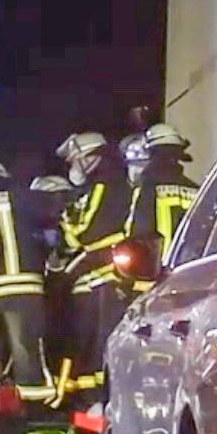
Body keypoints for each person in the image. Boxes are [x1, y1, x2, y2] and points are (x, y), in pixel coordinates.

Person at [53, 131, 132, 378]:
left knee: (99, 345)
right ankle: (90, 393)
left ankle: (97, 394)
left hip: (105, 273)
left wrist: (66, 223)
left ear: (89, 158)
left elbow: (87, 231)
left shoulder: (104, 185)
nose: (73, 168)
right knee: (88, 345)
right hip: (95, 274)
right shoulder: (98, 186)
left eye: (75, 161)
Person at [0, 161, 52, 396]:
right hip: (25, 287)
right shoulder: (24, 197)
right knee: (25, 350)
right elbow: (50, 226)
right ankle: (31, 401)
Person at [122, 124, 199, 290]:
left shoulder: (147, 189)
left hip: (153, 283)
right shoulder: (196, 190)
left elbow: (137, 234)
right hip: (189, 279)